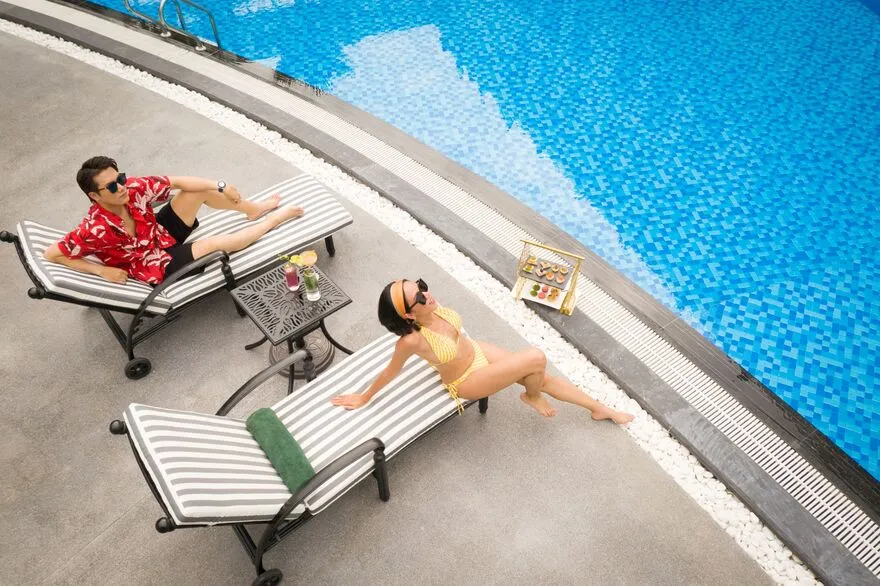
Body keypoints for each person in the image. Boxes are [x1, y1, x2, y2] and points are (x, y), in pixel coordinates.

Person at [331, 278, 635, 424]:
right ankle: (532, 396)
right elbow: (391, 371)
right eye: (419, 298)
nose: (427, 294)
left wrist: (426, 301)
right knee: (536, 358)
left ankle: (599, 408)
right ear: (409, 314)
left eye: (421, 286)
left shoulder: (432, 307)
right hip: (464, 380)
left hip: (477, 352)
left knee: (540, 376)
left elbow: (446, 324)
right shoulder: (411, 341)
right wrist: (364, 396)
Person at [43, 156, 304, 285]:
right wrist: (101, 271)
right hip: (150, 263)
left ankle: (253, 210)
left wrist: (221, 185)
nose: (121, 187)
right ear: (94, 196)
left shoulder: (131, 189)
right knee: (212, 245)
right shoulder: (94, 229)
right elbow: (52, 254)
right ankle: (273, 221)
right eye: (112, 186)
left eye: (120, 178)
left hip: (158, 234)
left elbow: (177, 181)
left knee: (196, 192)